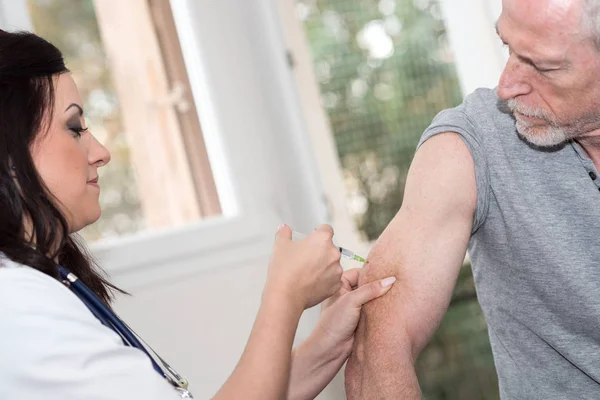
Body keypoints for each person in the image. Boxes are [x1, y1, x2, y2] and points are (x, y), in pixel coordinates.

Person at [0, 30, 397, 400]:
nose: (101, 151)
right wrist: (284, 296)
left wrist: (326, 345)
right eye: (75, 127)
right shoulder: (19, 308)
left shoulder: (41, 289)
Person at [345, 0, 600, 399]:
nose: (507, 85)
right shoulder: (473, 142)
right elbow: (378, 339)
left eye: (544, 66)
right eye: (508, 48)